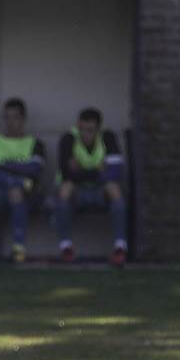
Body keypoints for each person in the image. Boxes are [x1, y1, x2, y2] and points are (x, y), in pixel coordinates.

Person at [0, 98, 47, 263]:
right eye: (7, 117)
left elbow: (34, 171)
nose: (10, 122)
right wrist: (18, 172)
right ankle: (16, 183)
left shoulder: (35, 144)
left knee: (16, 192)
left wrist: (5, 166)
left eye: (15, 117)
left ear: (23, 119)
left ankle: (18, 247)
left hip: (29, 194)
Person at [54, 107, 127, 265]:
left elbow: (117, 171)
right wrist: (98, 170)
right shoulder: (69, 138)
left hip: (100, 192)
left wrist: (81, 170)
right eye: (81, 129)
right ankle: (66, 247)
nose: (85, 134)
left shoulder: (108, 137)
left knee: (114, 188)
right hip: (77, 194)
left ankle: (120, 247)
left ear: (98, 130)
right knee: (65, 188)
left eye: (90, 130)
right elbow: (67, 173)